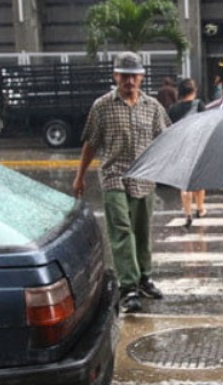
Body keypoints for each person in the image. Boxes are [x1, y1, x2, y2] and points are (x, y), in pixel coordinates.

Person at [73, 51, 170, 314]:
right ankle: (128, 287)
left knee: (142, 231)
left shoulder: (153, 107)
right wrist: (80, 176)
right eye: (124, 76)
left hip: (144, 178)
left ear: (141, 77)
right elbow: (90, 143)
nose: (129, 81)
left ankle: (143, 277)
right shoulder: (102, 106)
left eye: (133, 76)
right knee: (121, 230)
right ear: (115, 76)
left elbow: (165, 140)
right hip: (114, 176)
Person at [167, 78, 208, 228]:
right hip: (196, 146)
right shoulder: (199, 105)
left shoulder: (172, 108)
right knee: (199, 179)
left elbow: (169, 128)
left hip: (180, 147)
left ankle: (188, 214)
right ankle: (200, 208)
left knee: (184, 183)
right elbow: (206, 125)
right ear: (194, 91)